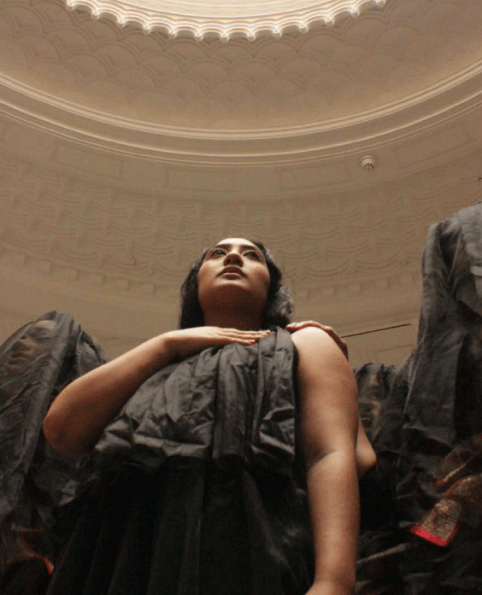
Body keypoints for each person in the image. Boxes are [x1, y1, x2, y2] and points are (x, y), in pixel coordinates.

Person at [41, 238, 366, 595]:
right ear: (195, 285)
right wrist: (166, 344)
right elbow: (61, 430)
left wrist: (334, 581)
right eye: (217, 253)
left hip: (251, 552)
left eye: (252, 256)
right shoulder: (156, 364)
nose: (233, 257)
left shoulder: (306, 342)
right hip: (127, 557)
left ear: (271, 288)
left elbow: (334, 454)